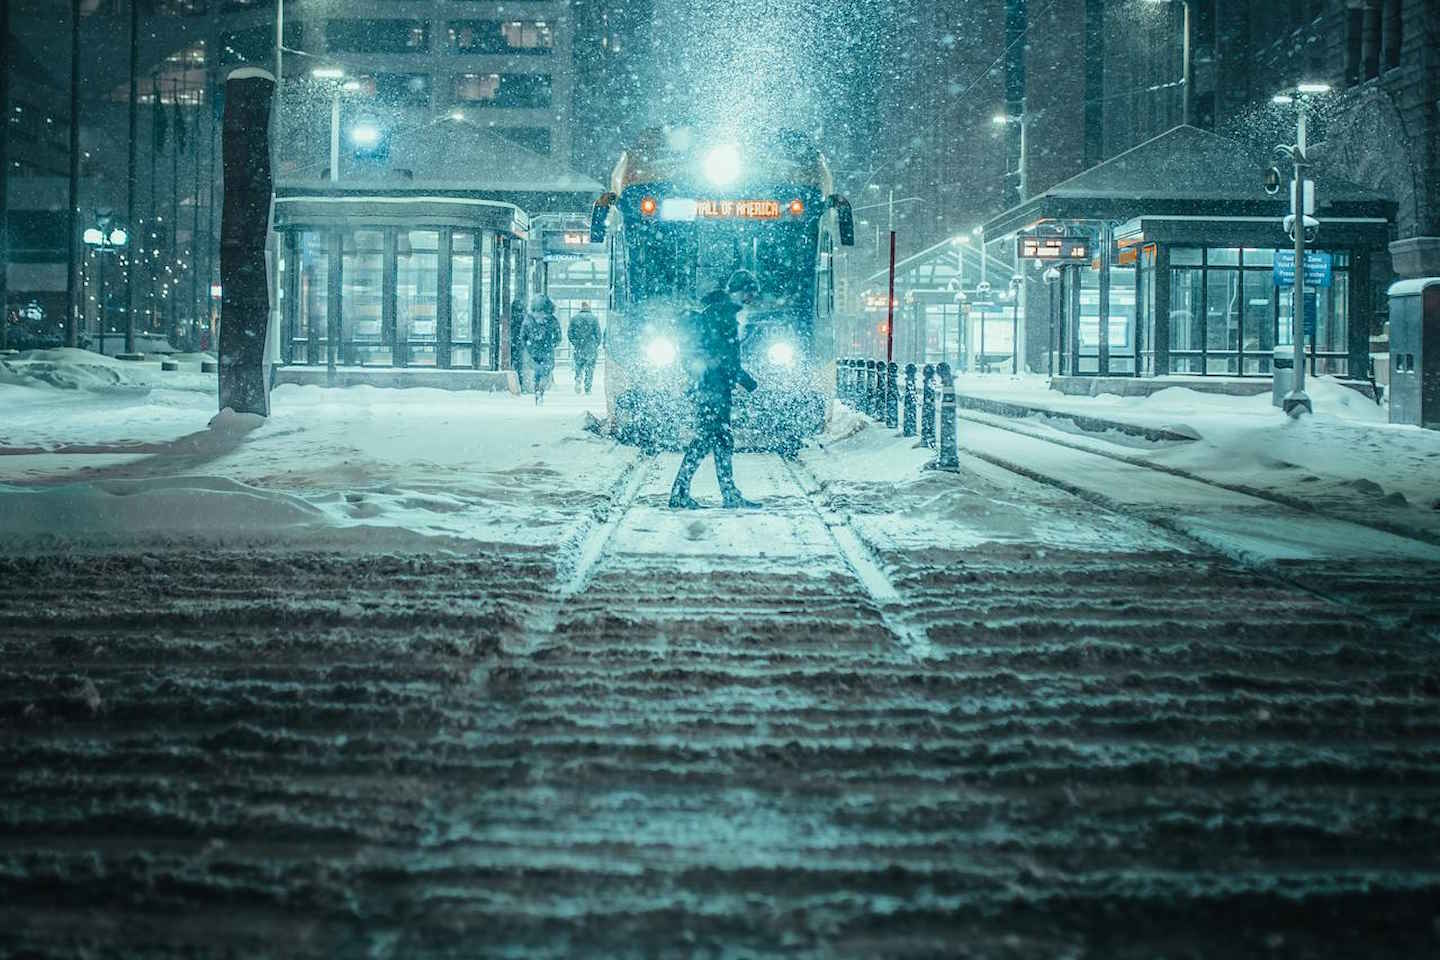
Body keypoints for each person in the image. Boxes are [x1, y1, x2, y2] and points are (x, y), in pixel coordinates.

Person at [669, 270, 761, 510]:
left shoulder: (719, 312)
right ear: (738, 290)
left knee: (720, 440)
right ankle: (682, 493)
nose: (751, 298)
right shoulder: (723, 314)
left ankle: (727, 493)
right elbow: (724, 356)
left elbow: (718, 351)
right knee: (707, 440)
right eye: (749, 292)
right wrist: (747, 381)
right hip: (713, 387)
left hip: (711, 385)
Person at [522, 293, 562, 405]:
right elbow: (558, 336)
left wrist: (528, 345)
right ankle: (541, 390)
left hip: (533, 351)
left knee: (537, 372)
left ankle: (537, 392)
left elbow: (523, 335)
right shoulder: (552, 319)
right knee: (546, 373)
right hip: (547, 350)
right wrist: (552, 344)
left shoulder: (529, 318)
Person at [567, 302, 602, 395]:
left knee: (578, 366)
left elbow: (570, 333)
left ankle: (578, 378)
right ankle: (588, 387)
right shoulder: (594, 319)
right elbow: (598, 334)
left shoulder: (574, 318)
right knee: (590, 369)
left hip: (579, 347)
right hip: (590, 347)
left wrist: (575, 342)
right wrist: (595, 344)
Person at [508, 295, 529, 392]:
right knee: (519, 365)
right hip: (520, 344)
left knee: (512, 363)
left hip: (512, 343)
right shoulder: (524, 317)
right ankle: (520, 384)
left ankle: (515, 384)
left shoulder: (511, 317)